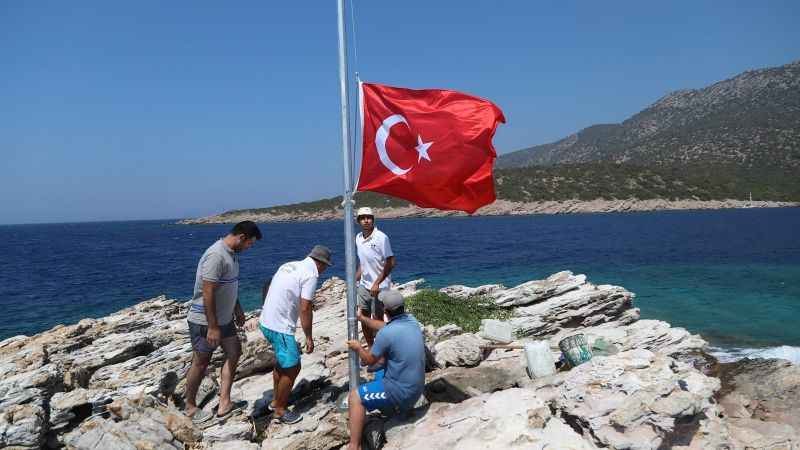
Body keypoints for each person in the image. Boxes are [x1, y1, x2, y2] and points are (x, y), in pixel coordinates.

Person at [184, 221, 262, 423]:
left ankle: (224, 402)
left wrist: (238, 309)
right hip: (205, 320)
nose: (249, 248)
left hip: (225, 319)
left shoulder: (232, 255)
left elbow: (228, 286)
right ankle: (190, 407)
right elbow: (208, 292)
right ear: (242, 238)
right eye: (249, 244)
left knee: (234, 351)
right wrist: (212, 326)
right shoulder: (216, 255)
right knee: (201, 362)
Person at [258, 245, 332, 424]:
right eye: (326, 266)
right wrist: (308, 336)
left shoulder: (289, 265)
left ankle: (276, 401)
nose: (324, 271)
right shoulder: (311, 274)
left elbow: (268, 287)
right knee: (293, 367)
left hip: (266, 321)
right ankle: (280, 411)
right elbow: (305, 308)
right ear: (320, 263)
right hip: (280, 328)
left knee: (283, 363)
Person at [346, 290, 425, 450]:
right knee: (379, 370)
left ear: (385, 310)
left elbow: (368, 360)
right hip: (416, 388)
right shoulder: (412, 321)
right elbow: (383, 326)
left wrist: (358, 347)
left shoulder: (387, 334)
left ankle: (354, 446)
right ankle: (391, 408)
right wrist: (362, 318)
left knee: (355, 397)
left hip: (404, 394)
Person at [354, 207, 395, 350]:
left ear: (373, 219)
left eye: (369, 217)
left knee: (377, 320)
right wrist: (354, 279)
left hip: (380, 287)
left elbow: (391, 262)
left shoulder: (381, 237)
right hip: (364, 285)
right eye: (363, 218)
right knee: (364, 318)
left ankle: (382, 350)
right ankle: (371, 347)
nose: (366, 220)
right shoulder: (358, 238)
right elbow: (362, 263)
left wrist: (377, 283)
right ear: (358, 221)